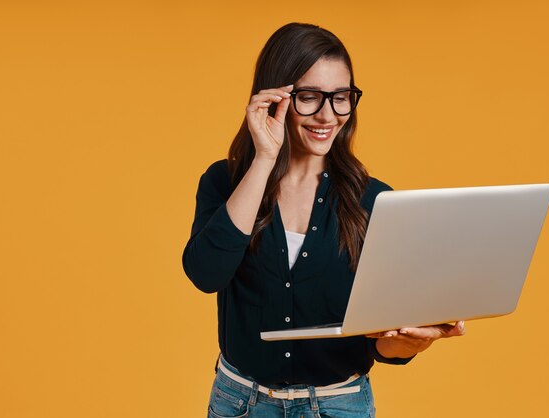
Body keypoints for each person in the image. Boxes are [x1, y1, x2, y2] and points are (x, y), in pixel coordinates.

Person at [182, 22, 465, 418]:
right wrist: (264, 158)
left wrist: (411, 343)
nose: (328, 115)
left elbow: (381, 345)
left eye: (341, 97)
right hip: (241, 404)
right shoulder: (225, 181)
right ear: (274, 97)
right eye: (310, 97)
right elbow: (205, 274)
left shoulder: (376, 201)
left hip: (339, 406)